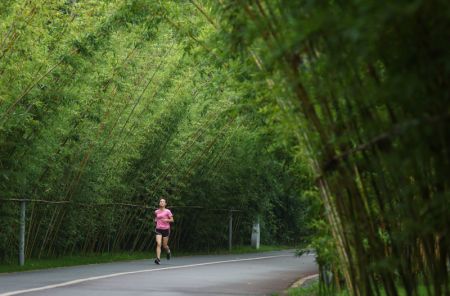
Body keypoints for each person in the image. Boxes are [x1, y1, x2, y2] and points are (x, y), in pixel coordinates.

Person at [154, 198, 173, 265]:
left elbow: (172, 220)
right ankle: (158, 259)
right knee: (159, 243)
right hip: (158, 229)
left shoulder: (168, 211)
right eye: (160, 201)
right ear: (159, 203)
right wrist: (156, 220)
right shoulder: (156, 211)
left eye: (163, 202)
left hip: (166, 229)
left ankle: (168, 251)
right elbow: (156, 218)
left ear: (165, 204)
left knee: (164, 245)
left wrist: (166, 220)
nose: (161, 202)